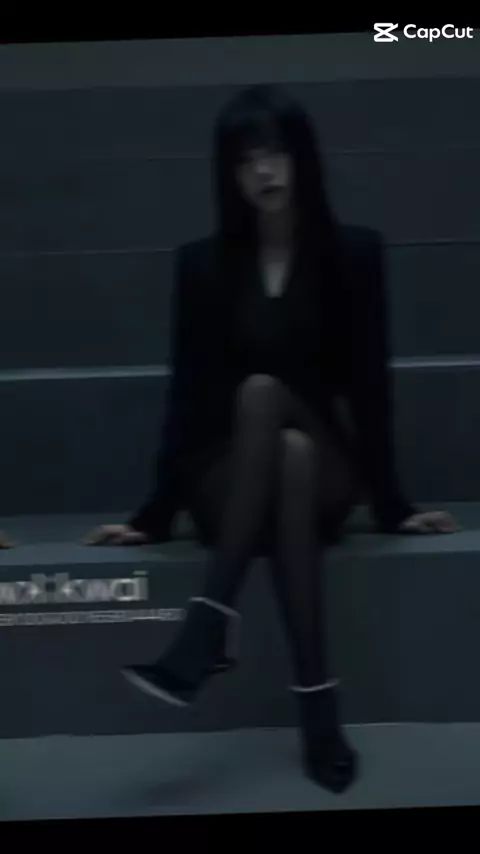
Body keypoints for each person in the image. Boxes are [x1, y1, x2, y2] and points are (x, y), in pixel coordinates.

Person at [85, 86, 458, 793]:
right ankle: (318, 703)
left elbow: (370, 387)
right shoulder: (202, 264)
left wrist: (392, 505)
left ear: (303, 158)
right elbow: (186, 393)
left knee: (276, 412)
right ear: (228, 173)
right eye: (246, 158)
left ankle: (206, 629)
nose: (263, 170)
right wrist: (154, 516)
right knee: (281, 445)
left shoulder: (354, 253)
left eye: (277, 152)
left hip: (329, 471)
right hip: (228, 474)